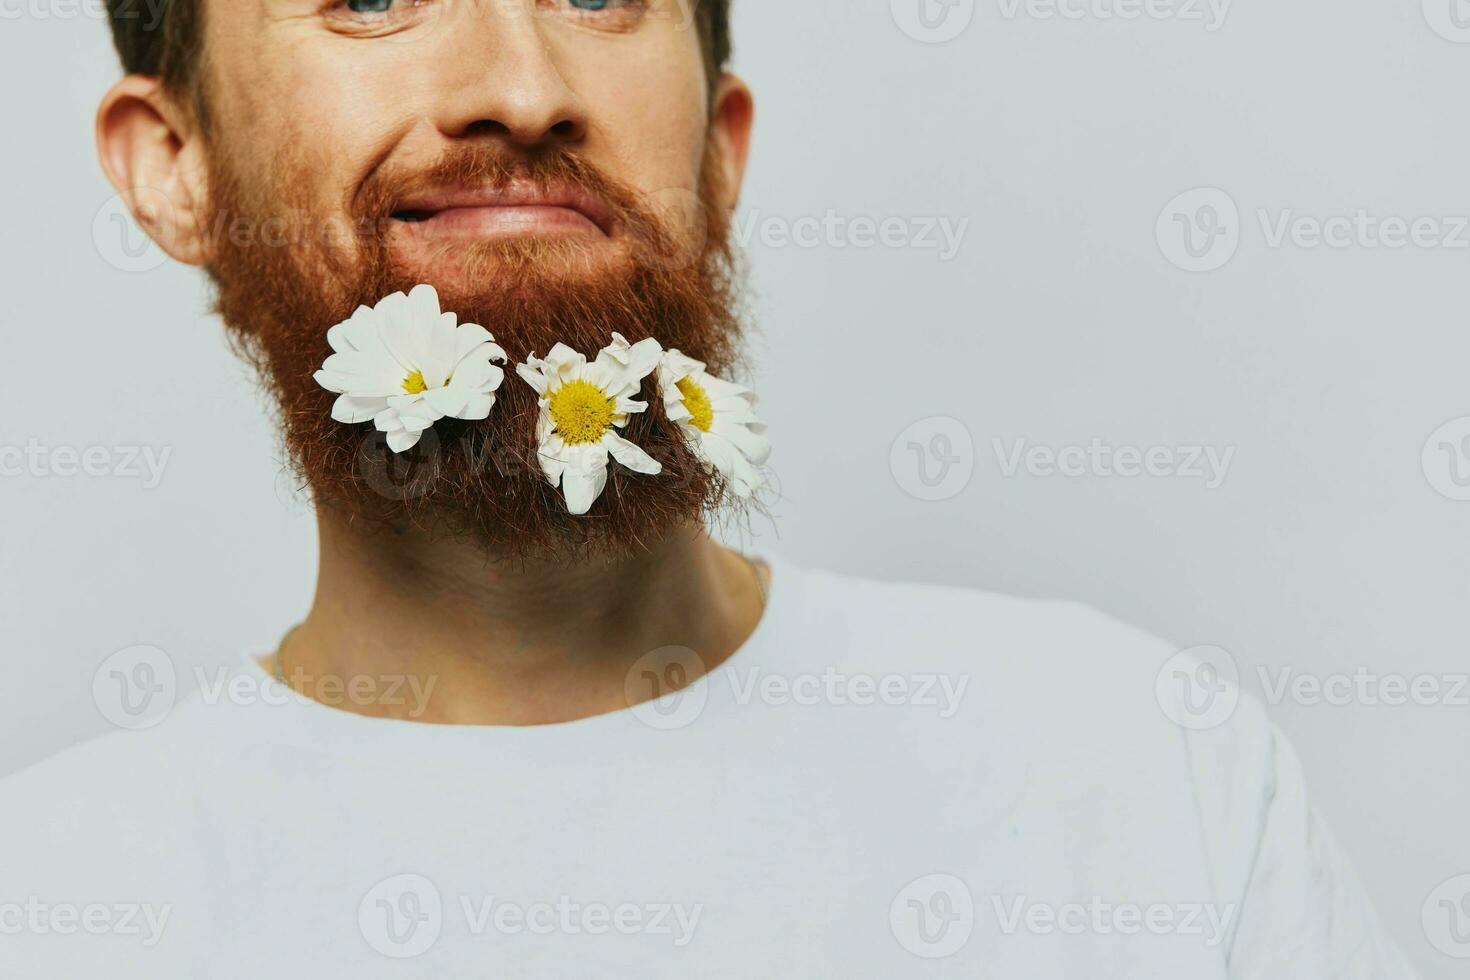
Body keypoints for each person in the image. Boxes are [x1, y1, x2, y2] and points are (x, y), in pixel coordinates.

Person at [0, 0, 1419, 975]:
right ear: (172, 168)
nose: (521, 85)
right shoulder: (54, 909)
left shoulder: (1145, 779)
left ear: (717, 147)